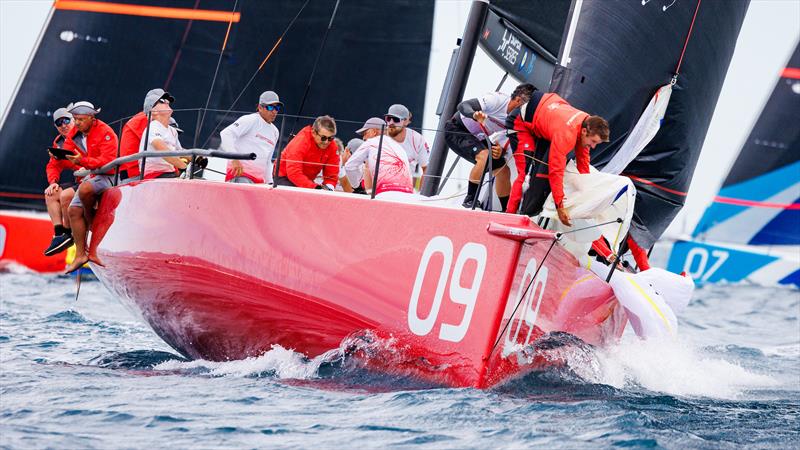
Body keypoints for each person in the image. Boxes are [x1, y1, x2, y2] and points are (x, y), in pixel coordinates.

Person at [444, 83, 535, 210]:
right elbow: (463, 105)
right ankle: (470, 200)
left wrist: (500, 151)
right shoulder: (497, 100)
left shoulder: (517, 119)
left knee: (503, 170)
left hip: (478, 137)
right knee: (485, 155)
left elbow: (502, 143)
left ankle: (507, 210)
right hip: (457, 129)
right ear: (519, 100)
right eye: (526, 108)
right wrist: (474, 115)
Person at [63, 101, 118, 273]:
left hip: (107, 176)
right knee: (73, 211)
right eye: (75, 119)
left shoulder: (106, 132)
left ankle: (90, 219)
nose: (76, 123)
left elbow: (107, 162)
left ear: (91, 118)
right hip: (90, 175)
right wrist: (59, 156)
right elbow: (68, 151)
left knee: (86, 189)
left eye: (80, 119)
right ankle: (80, 255)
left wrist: (82, 161)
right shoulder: (75, 133)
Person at [220, 91, 282, 184]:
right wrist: (234, 159)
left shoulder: (275, 131)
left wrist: (269, 182)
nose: (274, 111)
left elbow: (268, 160)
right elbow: (226, 133)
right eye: (270, 107)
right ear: (260, 107)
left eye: (277, 108)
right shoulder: (250, 119)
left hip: (259, 183)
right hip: (241, 176)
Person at [43, 108, 81, 256]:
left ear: (73, 120)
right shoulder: (59, 142)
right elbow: (53, 165)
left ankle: (68, 233)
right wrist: (53, 181)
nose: (63, 125)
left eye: (66, 120)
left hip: (92, 177)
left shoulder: (83, 135)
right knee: (51, 194)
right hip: (78, 180)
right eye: (59, 123)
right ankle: (59, 234)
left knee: (66, 195)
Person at [345, 118, 413, 196]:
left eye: (365, 133)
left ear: (374, 132)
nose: (363, 138)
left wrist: (357, 187)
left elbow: (349, 166)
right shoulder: (400, 148)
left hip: (384, 194)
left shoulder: (371, 142)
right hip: (407, 194)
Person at [119, 88, 175, 180]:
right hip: (136, 174)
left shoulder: (142, 120)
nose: (167, 105)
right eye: (163, 101)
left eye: (168, 102)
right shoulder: (145, 121)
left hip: (139, 171)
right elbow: (160, 147)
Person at [275, 115, 339, 190]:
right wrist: (315, 187)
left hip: (307, 180)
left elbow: (332, 176)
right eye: (323, 138)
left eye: (330, 138)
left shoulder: (332, 146)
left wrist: (329, 188)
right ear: (314, 132)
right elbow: (294, 173)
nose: (326, 142)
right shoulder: (301, 141)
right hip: (284, 177)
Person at [138, 95, 186, 179]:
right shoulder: (153, 126)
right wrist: (184, 167)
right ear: (153, 111)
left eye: (168, 101)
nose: (167, 102)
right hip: (154, 175)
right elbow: (162, 150)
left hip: (168, 174)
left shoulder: (173, 130)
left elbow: (180, 151)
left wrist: (197, 158)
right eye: (162, 100)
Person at [383, 104, 429, 183]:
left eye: (396, 119)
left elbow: (427, 169)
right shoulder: (380, 136)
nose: (391, 122)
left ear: (406, 121)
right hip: (380, 186)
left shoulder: (417, 140)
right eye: (388, 118)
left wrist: (422, 194)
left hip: (405, 187)